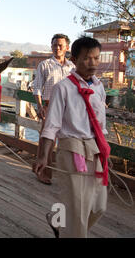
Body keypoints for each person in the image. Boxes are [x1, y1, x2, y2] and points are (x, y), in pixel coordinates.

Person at [34, 37, 108, 238]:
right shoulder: (63, 88)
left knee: (98, 206)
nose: (92, 63)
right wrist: (43, 156)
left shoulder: (99, 87)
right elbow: (51, 126)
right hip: (72, 149)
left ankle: (57, 222)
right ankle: (69, 230)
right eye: (86, 59)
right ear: (74, 59)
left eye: (96, 58)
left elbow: (101, 123)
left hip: (95, 149)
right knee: (78, 210)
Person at [32, 34, 75, 185]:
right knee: (47, 140)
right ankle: (43, 173)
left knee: (70, 140)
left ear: (67, 48)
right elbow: (37, 88)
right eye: (54, 45)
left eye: (60, 45)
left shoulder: (72, 67)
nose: (57, 48)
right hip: (49, 105)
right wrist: (39, 106)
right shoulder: (44, 65)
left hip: (69, 106)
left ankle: (70, 176)